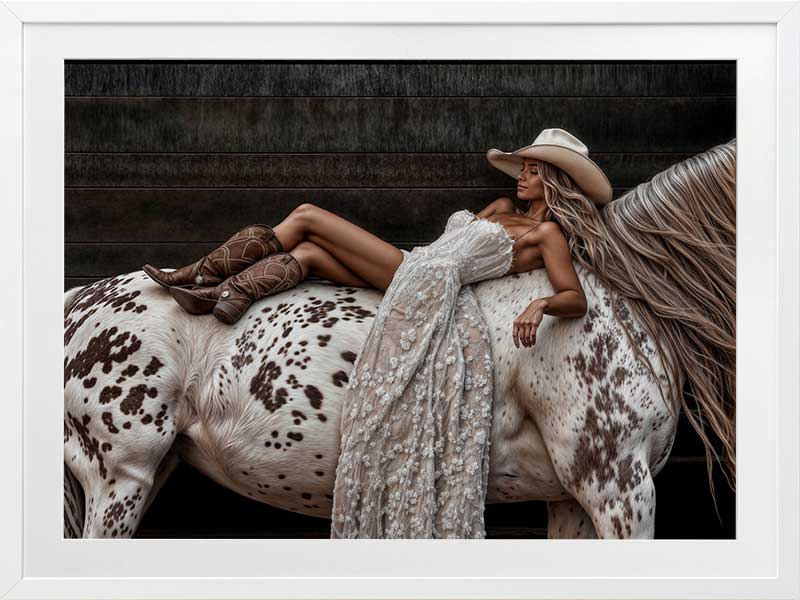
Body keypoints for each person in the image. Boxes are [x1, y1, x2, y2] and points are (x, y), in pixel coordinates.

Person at [142, 127, 613, 537]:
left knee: (307, 216)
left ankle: (199, 276)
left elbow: (575, 296)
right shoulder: (500, 206)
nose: (521, 175)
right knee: (309, 256)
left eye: (533, 170)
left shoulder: (548, 236)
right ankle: (228, 293)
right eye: (524, 167)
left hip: (428, 283)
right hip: (417, 267)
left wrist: (540, 302)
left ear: (554, 181)